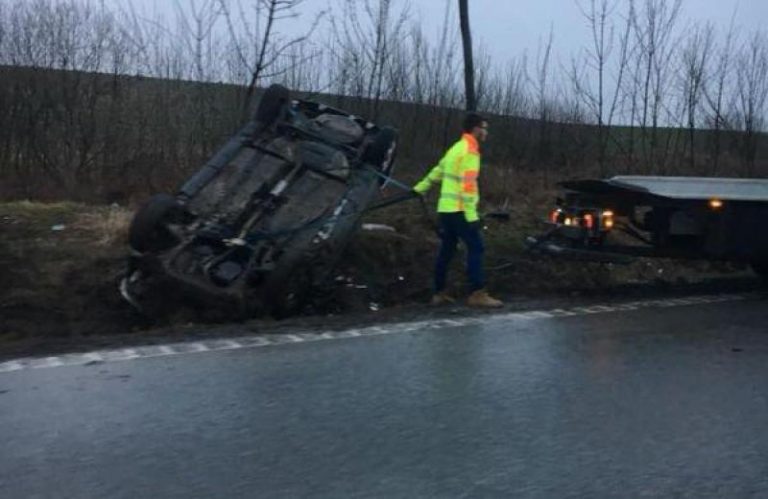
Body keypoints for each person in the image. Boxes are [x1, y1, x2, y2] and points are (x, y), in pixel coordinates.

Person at [413, 113, 503, 308]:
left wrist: (419, 188)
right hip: (460, 211)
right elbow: (467, 186)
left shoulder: (456, 148)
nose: (486, 132)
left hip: (445, 211)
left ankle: (439, 292)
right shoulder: (470, 151)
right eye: (484, 128)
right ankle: (477, 293)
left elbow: (438, 171)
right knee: (476, 247)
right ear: (476, 129)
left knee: (447, 249)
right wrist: (472, 216)